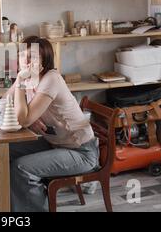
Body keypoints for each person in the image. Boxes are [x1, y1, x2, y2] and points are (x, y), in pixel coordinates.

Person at [6, 36, 99, 212]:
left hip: (81, 152)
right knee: (4, 150)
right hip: (56, 145)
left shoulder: (51, 79)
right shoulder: (30, 79)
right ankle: (9, 206)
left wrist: (19, 83)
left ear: (44, 60)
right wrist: (30, 120)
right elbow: (6, 102)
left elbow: (22, 118)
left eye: (32, 56)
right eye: (22, 55)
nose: (25, 60)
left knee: (21, 168)